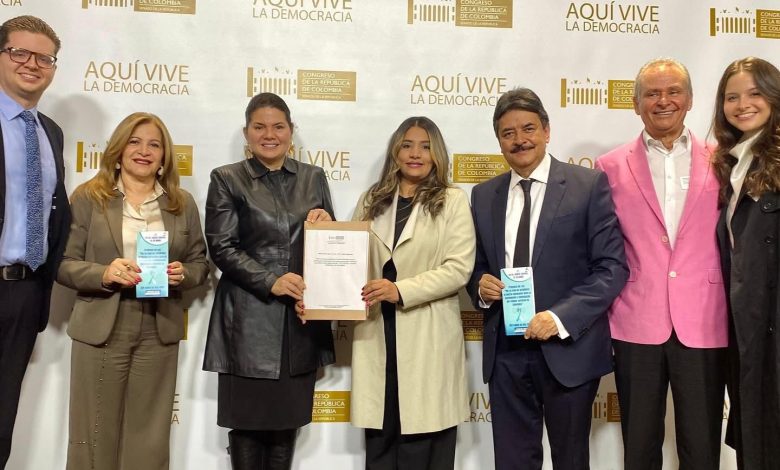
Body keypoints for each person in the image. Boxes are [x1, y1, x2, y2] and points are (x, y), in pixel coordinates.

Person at [467, 88, 627, 470]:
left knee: (570, 461)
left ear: (547, 130)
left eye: (528, 128)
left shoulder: (587, 185)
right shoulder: (484, 195)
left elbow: (611, 267)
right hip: (505, 353)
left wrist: (558, 318)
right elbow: (476, 267)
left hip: (567, 351)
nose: (519, 140)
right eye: (508, 133)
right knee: (512, 462)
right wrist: (481, 287)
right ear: (498, 140)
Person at [594, 58, 728, 470]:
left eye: (673, 91)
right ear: (636, 104)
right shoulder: (608, 166)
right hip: (635, 318)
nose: (663, 101)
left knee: (702, 448)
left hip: (705, 318)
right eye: (652, 93)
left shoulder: (724, 159)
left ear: (690, 99)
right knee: (639, 447)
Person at [56, 112, 209, 469]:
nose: (144, 151)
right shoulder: (89, 197)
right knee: (95, 430)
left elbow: (200, 264)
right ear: (119, 149)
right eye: (135, 142)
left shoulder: (181, 203)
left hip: (159, 326)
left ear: (164, 155)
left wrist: (184, 273)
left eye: (154, 144)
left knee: (150, 435)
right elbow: (62, 263)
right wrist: (104, 272)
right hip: (102, 324)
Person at [203, 92, 335, 470]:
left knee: (286, 427)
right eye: (259, 127)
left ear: (291, 130)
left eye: (278, 126)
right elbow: (222, 247)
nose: (269, 134)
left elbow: (330, 250)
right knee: (246, 427)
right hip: (246, 326)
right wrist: (271, 281)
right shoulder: (226, 178)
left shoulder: (314, 177)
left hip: (299, 325)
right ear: (246, 132)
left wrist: (328, 224)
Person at [349, 116, 475, 470]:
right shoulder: (372, 199)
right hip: (377, 332)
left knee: (425, 445)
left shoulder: (452, 200)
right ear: (395, 151)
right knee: (381, 442)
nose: (415, 154)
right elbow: (350, 257)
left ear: (437, 154)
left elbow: (458, 268)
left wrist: (399, 290)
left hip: (427, 335)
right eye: (407, 145)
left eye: (425, 146)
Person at [0, 15, 70, 468]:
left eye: (44, 58)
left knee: (2, 419)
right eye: (19, 52)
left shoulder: (50, 132)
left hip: (25, 292)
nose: (32, 64)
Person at [711, 56, 780, 470]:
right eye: (732, 97)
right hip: (747, 327)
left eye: (755, 93)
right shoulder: (735, 162)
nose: (742, 105)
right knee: (756, 437)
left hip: (773, 326)